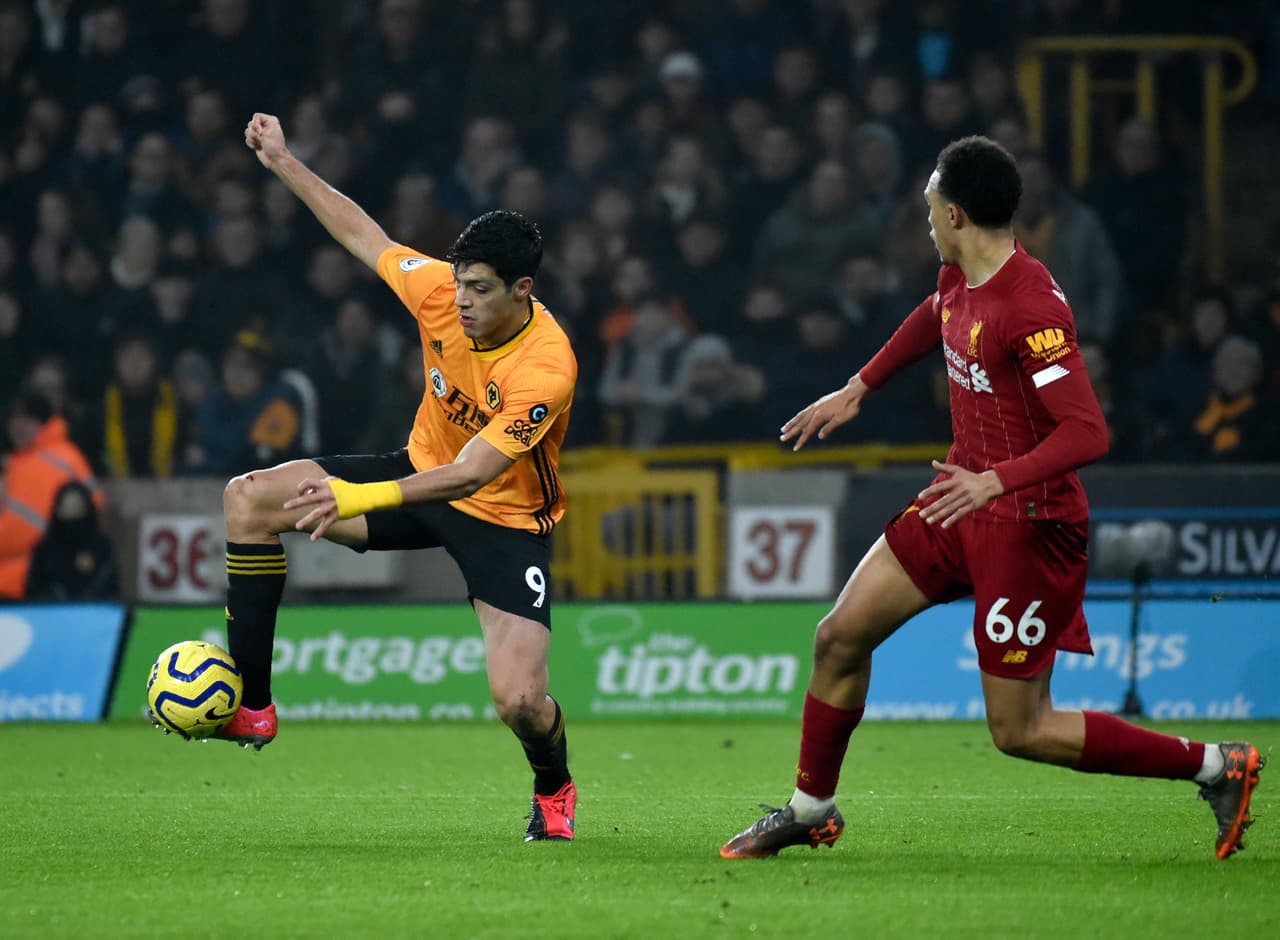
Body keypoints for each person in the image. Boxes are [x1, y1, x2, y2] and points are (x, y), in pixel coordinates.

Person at [719, 136, 1263, 862]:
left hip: (1027, 524)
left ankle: (1218, 766)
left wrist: (996, 481)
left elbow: (1088, 431)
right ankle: (810, 808)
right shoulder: (958, 277)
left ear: (955, 214)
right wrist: (860, 386)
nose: (925, 217)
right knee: (838, 637)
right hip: (959, 503)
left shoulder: (1030, 309)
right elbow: (932, 316)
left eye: (929, 205)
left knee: (1021, 729)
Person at [198, 112, 579, 845]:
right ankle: (253, 705)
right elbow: (360, 234)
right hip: (416, 474)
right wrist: (282, 161)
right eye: (459, 282)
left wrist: (358, 496)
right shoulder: (439, 291)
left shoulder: (546, 368)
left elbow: (473, 475)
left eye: (480, 289)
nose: (461, 300)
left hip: (500, 516)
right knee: (247, 500)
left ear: (522, 289)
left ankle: (552, 784)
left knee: (521, 701)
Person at [0, 389, 101, 600]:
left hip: (43, 581)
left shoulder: (65, 457)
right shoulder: (12, 464)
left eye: (28, 419)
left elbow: (93, 506)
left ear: (43, 422)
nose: (19, 426)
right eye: (14, 419)